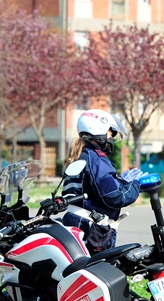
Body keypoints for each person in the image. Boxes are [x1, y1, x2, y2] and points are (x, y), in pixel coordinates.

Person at [61, 109, 142, 254]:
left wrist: (122, 182)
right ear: (98, 129)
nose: (111, 139)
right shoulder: (96, 159)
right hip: (89, 230)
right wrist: (136, 185)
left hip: (76, 224)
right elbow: (115, 197)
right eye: (110, 134)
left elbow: (96, 190)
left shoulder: (82, 155)